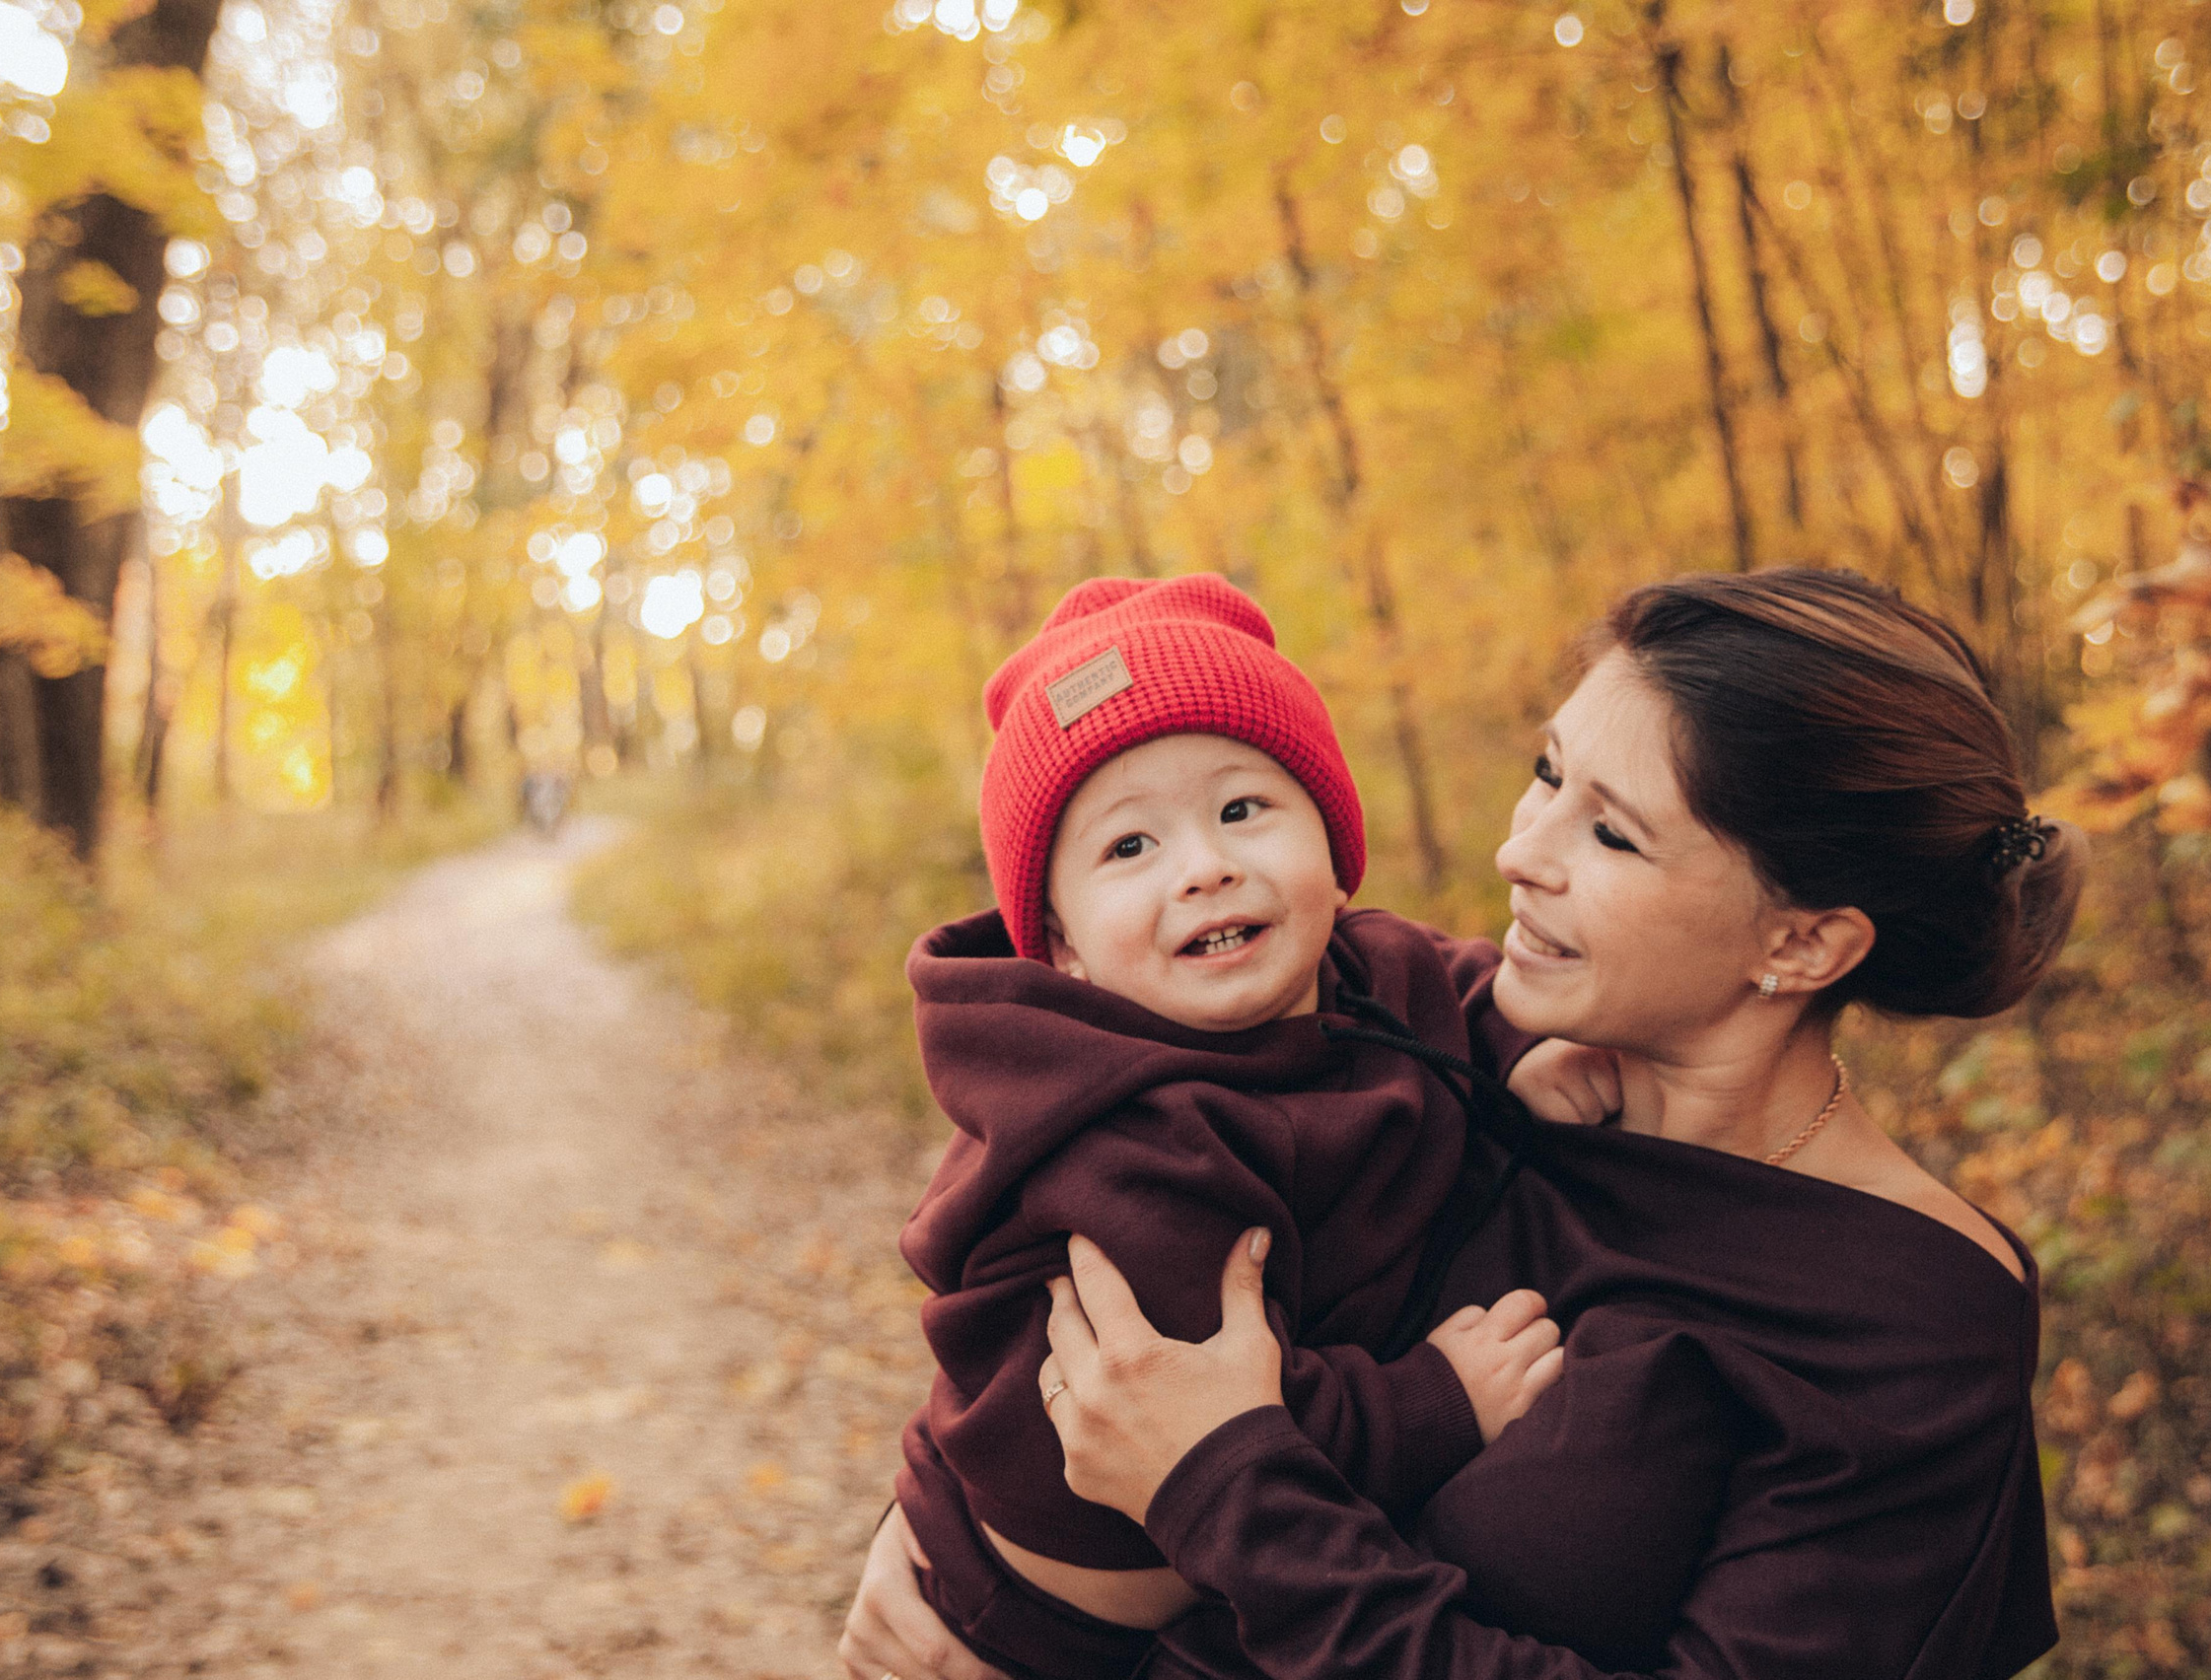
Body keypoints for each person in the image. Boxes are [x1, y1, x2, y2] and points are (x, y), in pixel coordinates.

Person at [844, 567, 2082, 1680]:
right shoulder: (1463, 1064)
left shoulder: (1906, 1324)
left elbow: (1193, 1430)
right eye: (1547, 774)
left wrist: (1224, 1481)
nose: (1517, 850)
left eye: (1610, 831)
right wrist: (939, 1525)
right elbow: (1099, 1258)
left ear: (1802, 940)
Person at [891, 574, 1608, 1679]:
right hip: (1057, 1609)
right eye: (1129, 849)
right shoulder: (1126, 1148)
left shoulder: (1374, 971)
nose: (1204, 866)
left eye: (1242, 810)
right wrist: (1428, 1404)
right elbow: (1193, 1400)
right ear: (1064, 946)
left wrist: (1531, 1045)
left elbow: (1459, 992)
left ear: (1330, 846)